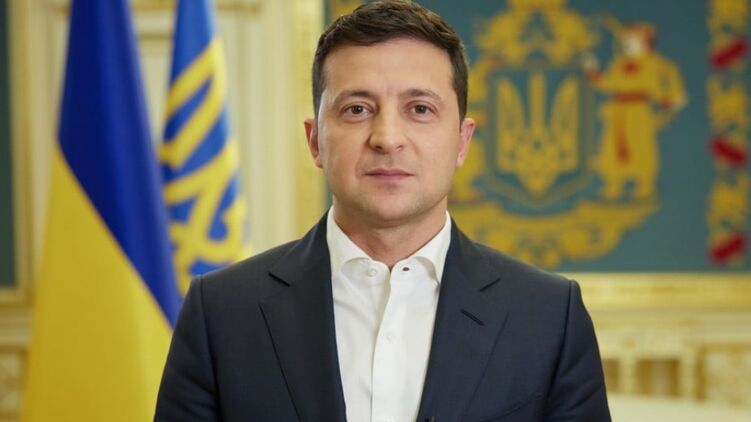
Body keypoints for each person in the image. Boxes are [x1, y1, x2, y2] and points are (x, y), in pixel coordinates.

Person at [154, 1, 611, 421]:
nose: (387, 138)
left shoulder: (549, 316)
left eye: (420, 109)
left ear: (462, 141)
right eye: (357, 109)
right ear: (315, 141)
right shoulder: (222, 312)